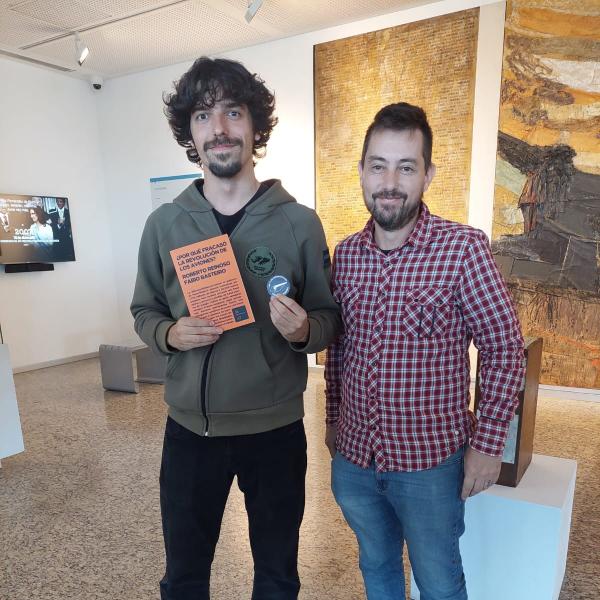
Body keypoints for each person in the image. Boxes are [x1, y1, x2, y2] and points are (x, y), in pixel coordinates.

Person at [131, 56, 340, 600]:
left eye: (232, 112)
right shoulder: (164, 224)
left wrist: (304, 331)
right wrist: (170, 335)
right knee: (183, 579)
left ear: (255, 126)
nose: (219, 128)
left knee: (276, 576)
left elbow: (329, 319)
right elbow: (144, 310)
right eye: (203, 116)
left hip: (274, 433)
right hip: (190, 433)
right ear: (190, 133)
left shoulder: (299, 223)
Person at [324, 102, 525, 600]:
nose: (390, 182)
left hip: (430, 466)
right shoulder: (346, 255)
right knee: (376, 566)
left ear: (428, 175)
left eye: (406, 167)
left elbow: (504, 349)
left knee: (438, 581)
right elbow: (339, 350)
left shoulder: (463, 249)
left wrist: (489, 445)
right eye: (379, 166)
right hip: (355, 460)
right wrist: (333, 421)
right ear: (362, 171)